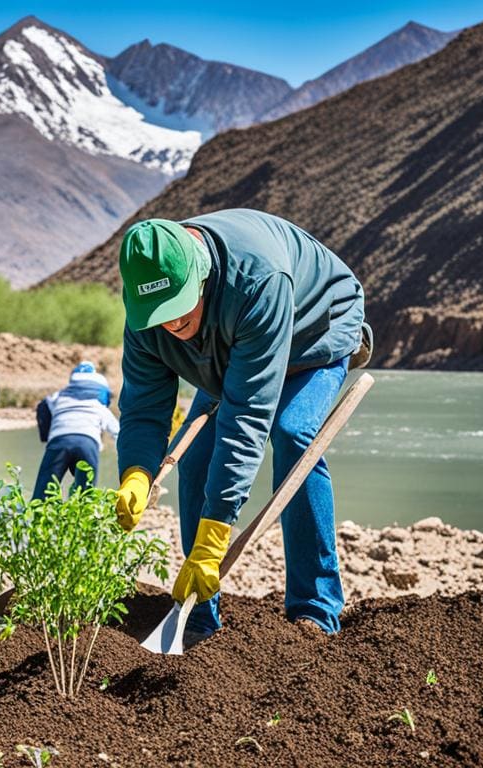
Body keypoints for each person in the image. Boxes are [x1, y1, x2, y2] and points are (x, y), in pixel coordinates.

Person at [113, 209, 371, 642]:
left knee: (293, 436)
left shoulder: (256, 279)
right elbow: (144, 405)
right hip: (233, 353)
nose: (172, 326)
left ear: (200, 275)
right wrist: (136, 472)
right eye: (161, 316)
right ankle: (197, 613)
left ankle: (315, 608)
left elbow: (247, 415)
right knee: (194, 460)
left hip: (313, 331)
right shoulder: (147, 312)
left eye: (179, 310)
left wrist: (216, 532)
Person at [32, 362, 119, 500]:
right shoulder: (98, 406)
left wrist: (46, 436)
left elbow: (42, 408)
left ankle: (38, 518)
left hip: (58, 442)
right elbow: (117, 432)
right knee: (86, 494)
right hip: (88, 444)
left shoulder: (59, 397)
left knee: (43, 493)